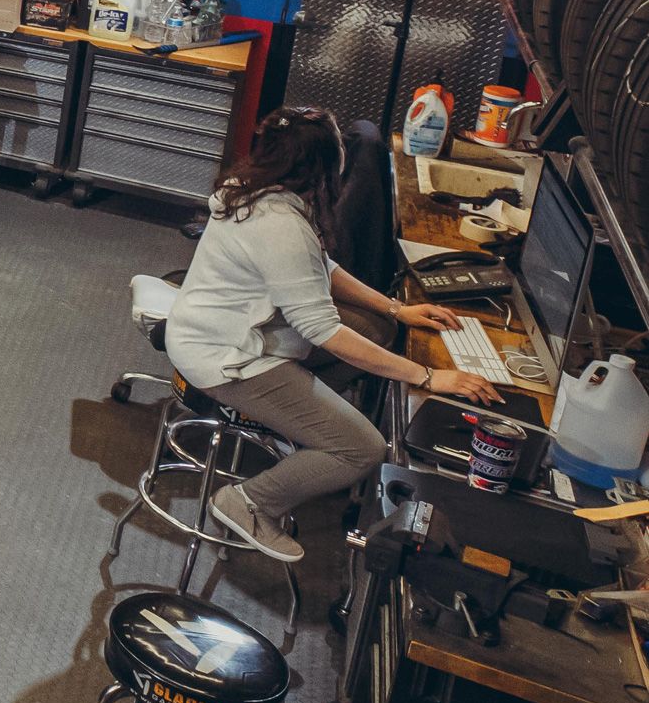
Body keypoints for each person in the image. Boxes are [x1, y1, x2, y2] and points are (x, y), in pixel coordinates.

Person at [165, 104, 500, 564]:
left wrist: (398, 309)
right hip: (229, 356)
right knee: (364, 449)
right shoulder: (279, 226)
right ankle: (249, 501)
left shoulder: (258, 188)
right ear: (326, 165)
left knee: (378, 329)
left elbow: (322, 268)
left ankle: (310, 434)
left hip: (237, 329)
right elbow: (323, 330)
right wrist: (425, 376)